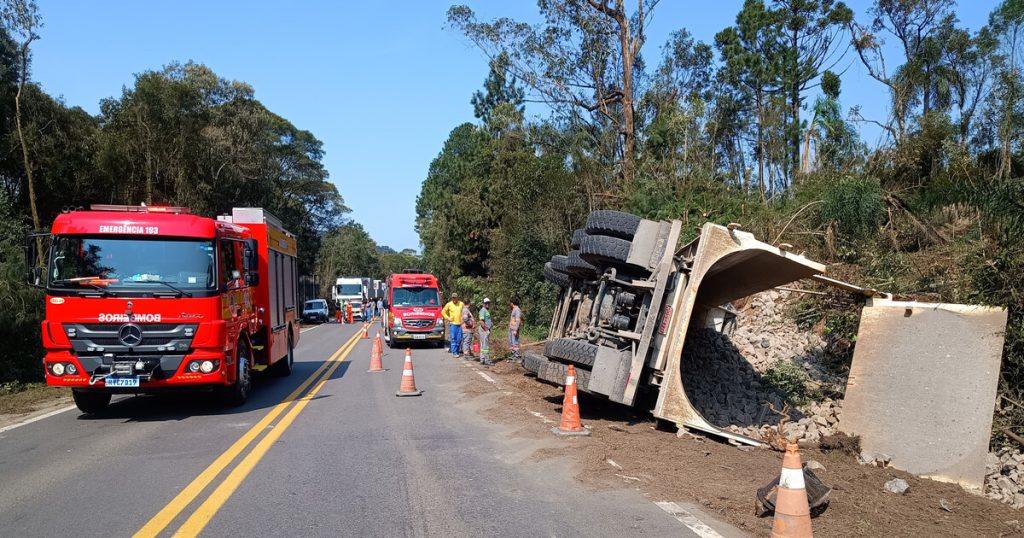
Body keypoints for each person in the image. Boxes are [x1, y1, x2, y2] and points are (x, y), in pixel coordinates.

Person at [478, 298, 494, 366]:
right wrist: (486, 329)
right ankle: (487, 360)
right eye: (486, 303)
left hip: (484, 330)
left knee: (483, 346)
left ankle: (482, 359)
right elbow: (481, 321)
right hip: (484, 330)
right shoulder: (483, 310)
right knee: (486, 346)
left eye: (488, 303)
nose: (487, 304)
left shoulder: (486, 310)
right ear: (483, 304)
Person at [508, 297, 522, 362]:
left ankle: (517, 356)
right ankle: (513, 355)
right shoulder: (514, 309)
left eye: (511, 302)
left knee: (515, 342)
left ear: (512, 303)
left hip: (514, 329)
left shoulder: (517, 310)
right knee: (511, 342)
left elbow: (518, 320)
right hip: (511, 328)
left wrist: (515, 330)